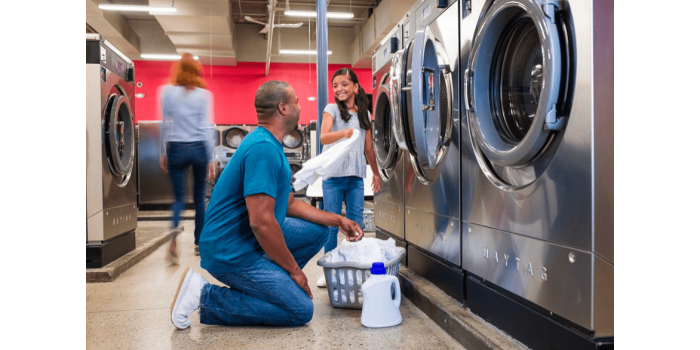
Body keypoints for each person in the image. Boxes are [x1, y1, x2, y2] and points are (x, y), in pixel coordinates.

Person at [169, 81, 364, 329]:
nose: (300, 106)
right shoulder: (263, 149)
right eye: (296, 101)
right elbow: (261, 222)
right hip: (229, 250)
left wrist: (338, 220)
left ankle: (271, 286)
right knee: (300, 310)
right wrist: (294, 271)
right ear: (283, 108)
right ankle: (204, 294)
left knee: (318, 231)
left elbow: (289, 203)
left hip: (244, 240)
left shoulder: (269, 143)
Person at [316, 68, 381, 287]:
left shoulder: (364, 114)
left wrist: (376, 172)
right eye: (335, 85)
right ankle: (331, 270)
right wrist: (343, 133)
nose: (339, 89)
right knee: (332, 225)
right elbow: (324, 137)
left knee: (356, 224)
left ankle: (355, 266)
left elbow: (369, 148)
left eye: (344, 84)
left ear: (355, 87)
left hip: (355, 177)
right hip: (333, 176)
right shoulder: (331, 109)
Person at [159, 53, 216, 264]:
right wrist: (210, 159)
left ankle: (174, 234)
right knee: (199, 197)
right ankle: (199, 243)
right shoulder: (203, 95)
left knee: (179, 198)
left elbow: (164, 124)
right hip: (198, 148)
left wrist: (163, 152)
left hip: (175, 147)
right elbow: (206, 127)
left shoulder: (167, 92)